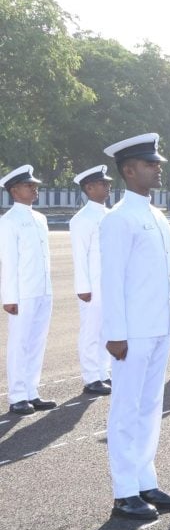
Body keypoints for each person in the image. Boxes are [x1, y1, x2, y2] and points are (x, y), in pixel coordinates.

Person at [99, 133, 170, 520]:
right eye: (150, 164)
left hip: (158, 326)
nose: (157, 169)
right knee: (126, 408)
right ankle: (124, 491)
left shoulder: (155, 214)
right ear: (128, 170)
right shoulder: (119, 219)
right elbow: (112, 281)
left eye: (157, 164)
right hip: (132, 332)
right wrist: (115, 334)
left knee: (151, 407)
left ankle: (145, 480)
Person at [1, 164, 55, 416]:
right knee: (19, 344)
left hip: (43, 290)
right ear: (14, 191)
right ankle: (17, 396)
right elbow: (8, 263)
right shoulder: (8, 221)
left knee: (37, 343)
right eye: (28, 185)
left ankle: (32, 391)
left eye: (35, 185)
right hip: (22, 293)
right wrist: (9, 298)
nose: (34, 189)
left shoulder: (40, 218)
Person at [69, 164, 113, 395]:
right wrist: (83, 288)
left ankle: (103, 372)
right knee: (90, 332)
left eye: (107, 183)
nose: (108, 186)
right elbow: (80, 256)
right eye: (102, 183)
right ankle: (90, 377)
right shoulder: (82, 219)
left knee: (106, 330)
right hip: (93, 287)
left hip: (109, 285)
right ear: (89, 187)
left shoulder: (109, 215)